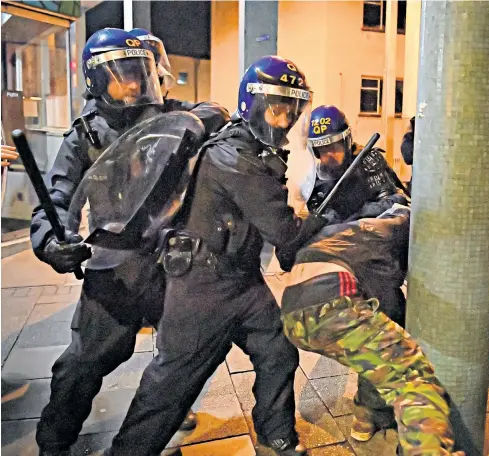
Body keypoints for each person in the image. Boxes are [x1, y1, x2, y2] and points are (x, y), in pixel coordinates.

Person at [103, 56, 327, 456]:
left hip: (240, 279)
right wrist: (318, 217)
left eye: (292, 109)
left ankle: (277, 437)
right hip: (201, 288)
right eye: (277, 108)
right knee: (171, 384)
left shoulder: (253, 148)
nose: (285, 119)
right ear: (252, 105)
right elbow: (283, 230)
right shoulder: (235, 158)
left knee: (277, 351)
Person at [30, 28, 230, 456]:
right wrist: (52, 241)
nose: (133, 84)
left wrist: (193, 124)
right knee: (81, 365)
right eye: (121, 75)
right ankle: (54, 441)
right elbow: (56, 198)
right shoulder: (85, 136)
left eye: (141, 73)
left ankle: (166, 416)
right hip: (117, 265)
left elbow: (215, 111)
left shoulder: (172, 116)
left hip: (175, 261)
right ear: (98, 82)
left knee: (181, 354)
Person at [280, 204, 464, 456]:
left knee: (373, 353)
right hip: (332, 305)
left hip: (294, 317)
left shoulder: (352, 232)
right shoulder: (386, 238)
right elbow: (387, 305)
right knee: (411, 377)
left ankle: (365, 417)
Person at [304, 104, 407, 440]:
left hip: (377, 261)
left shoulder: (369, 162)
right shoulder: (313, 178)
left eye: (334, 146)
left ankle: (370, 408)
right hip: (341, 265)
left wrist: (354, 220)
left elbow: (395, 203)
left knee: (386, 323)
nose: (329, 155)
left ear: (347, 141)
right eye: (321, 149)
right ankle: (377, 402)